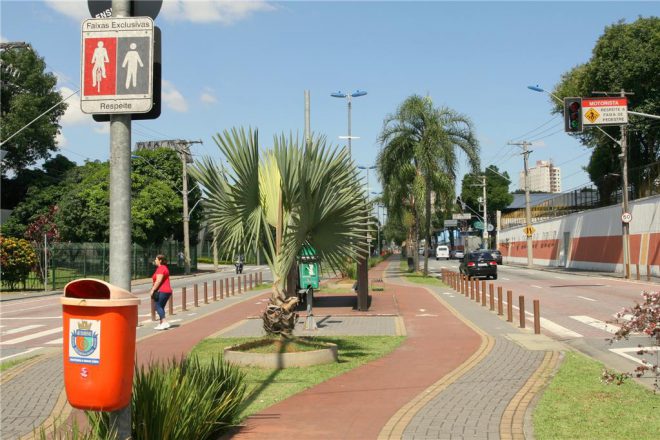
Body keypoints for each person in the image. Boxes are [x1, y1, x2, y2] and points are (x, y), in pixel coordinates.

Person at [150, 254, 173, 330]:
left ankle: (164, 322)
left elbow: (158, 280)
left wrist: (153, 289)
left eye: (156, 259)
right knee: (161, 307)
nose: (155, 261)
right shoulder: (163, 268)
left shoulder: (161, 268)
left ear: (160, 260)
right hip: (166, 290)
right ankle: (161, 323)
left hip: (162, 290)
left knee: (158, 306)